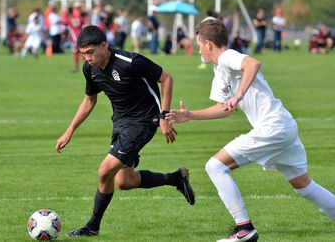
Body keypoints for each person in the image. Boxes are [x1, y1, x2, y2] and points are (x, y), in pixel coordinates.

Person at [166, 18, 335, 242]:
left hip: (272, 126)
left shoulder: (227, 56)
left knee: (215, 166)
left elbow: (253, 63)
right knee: (303, 185)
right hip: (283, 126)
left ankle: (244, 229)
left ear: (208, 44)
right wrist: (191, 115)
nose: (199, 52)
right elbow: (223, 108)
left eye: (199, 46)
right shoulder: (219, 70)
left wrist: (239, 94)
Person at [55, 25, 195, 237]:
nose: (87, 58)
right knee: (124, 182)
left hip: (143, 122)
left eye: (91, 52)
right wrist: (69, 131)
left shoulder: (131, 62)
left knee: (104, 171)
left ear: (104, 45)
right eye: (83, 54)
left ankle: (92, 226)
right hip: (120, 122)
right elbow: (89, 99)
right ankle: (176, 178)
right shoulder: (89, 69)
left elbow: (166, 78)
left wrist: (163, 117)